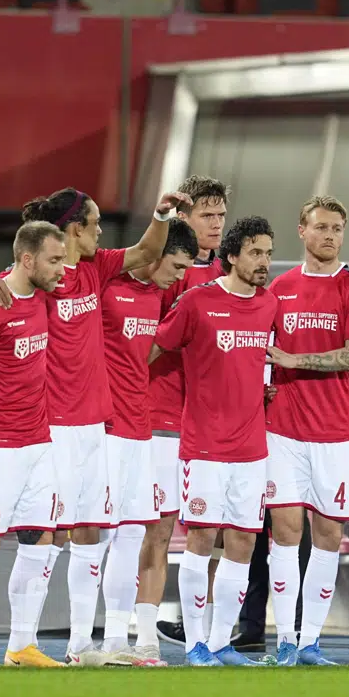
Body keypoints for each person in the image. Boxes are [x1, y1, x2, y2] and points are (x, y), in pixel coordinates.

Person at [0, 185, 190, 666]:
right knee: (46, 535)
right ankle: (21, 641)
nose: (101, 231)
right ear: (76, 228)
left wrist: (160, 213)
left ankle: (80, 645)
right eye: (95, 224)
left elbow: (146, 250)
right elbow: (1, 294)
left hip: (95, 424)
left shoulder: (94, 269)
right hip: (50, 424)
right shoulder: (40, 277)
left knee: (92, 529)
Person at [151, 215, 277, 666]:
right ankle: (194, 644)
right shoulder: (196, 302)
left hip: (251, 448)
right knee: (201, 540)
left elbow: (263, 362)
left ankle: (222, 642)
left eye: (268, 252)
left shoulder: (270, 305)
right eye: (256, 252)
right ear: (231, 256)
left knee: (242, 543)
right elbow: (154, 349)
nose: (264, 262)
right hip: (203, 445)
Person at [261, 196, 349, 666]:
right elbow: (261, 352)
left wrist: (295, 360)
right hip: (283, 429)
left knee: (329, 534)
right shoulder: (279, 288)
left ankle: (310, 641)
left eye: (337, 228)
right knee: (284, 532)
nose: (329, 236)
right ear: (302, 230)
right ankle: (286, 640)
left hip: (337, 430)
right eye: (321, 227)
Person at [0, 221, 66, 669]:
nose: (62, 269)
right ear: (27, 260)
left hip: (38, 440)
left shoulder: (43, 294)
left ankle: (22, 644)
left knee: (41, 537)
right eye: (54, 260)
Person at [135, 175, 232, 653]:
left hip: (212, 425)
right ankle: (140, 634)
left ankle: (208, 637)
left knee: (214, 534)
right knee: (156, 530)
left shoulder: (230, 276)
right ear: (184, 218)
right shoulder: (159, 268)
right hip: (158, 417)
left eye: (220, 216)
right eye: (206, 216)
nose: (215, 225)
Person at [98, 219, 198, 665]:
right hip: (101, 430)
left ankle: (128, 639)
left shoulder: (161, 299)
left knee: (138, 534)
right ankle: (85, 636)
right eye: (175, 265)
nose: (179, 276)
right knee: (92, 538)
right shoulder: (105, 283)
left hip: (141, 431)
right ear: (155, 252)